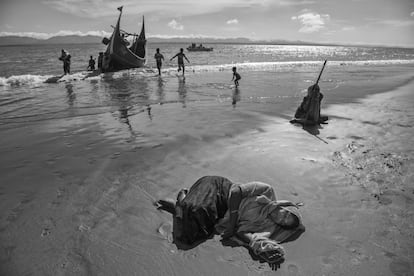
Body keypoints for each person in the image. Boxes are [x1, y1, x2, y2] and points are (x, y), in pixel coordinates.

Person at [155, 176, 305, 270]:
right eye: (286, 214)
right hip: (219, 189)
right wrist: (232, 224)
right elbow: (236, 192)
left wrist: (261, 246)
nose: (281, 217)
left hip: (221, 212)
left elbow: (242, 232)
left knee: (190, 236)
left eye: (284, 222)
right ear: (283, 207)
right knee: (195, 210)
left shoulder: (263, 223)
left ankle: (181, 207)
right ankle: (181, 202)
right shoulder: (267, 191)